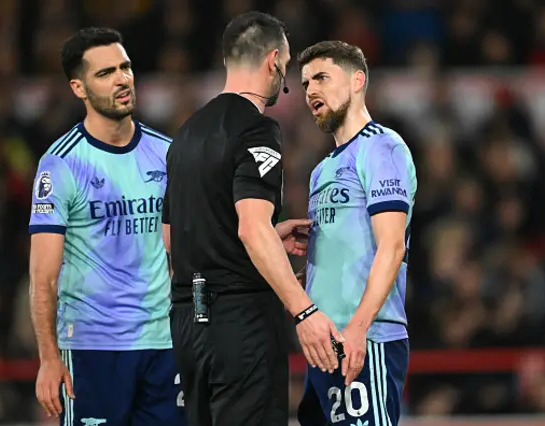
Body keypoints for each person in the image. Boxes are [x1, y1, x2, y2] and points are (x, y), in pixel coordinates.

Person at [161, 11, 343, 426]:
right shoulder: (258, 130)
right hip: (240, 324)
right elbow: (250, 227)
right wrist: (304, 312)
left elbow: (173, 237)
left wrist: (264, 239)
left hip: (188, 326)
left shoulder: (185, 134)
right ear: (274, 60)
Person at [28, 27, 185, 426]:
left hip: (164, 347)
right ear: (78, 88)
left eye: (126, 67)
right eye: (105, 73)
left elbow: (191, 243)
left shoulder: (166, 154)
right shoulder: (61, 164)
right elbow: (42, 276)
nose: (122, 79)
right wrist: (48, 357)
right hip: (92, 348)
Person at [296, 40, 417, 426]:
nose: (311, 90)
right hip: (325, 346)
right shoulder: (320, 170)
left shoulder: (382, 147)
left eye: (321, 78)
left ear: (356, 81)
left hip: (366, 339)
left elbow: (392, 245)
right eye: (304, 84)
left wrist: (359, 329)